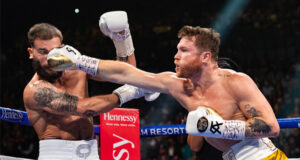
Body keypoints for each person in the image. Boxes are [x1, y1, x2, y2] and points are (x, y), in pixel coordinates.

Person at [47, 25, 288, 159]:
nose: (176, 55)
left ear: (205, 57)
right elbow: (126, 74)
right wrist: (80, 61)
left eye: (184, 50)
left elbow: (272, 127)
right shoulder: (178, 85)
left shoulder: (236, 81)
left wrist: (219, 127)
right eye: (176, 49)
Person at [23, 11, 158, 160]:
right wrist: (128, 93)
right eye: (43, 52)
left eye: (54, 51)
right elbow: (83, 109)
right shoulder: (35, 90)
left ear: (62, 48)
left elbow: (124, 72)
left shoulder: (75, 66)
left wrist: (122, 38)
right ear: (31, 52)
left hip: (91, 152)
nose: (49, 59)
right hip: (56, 154)